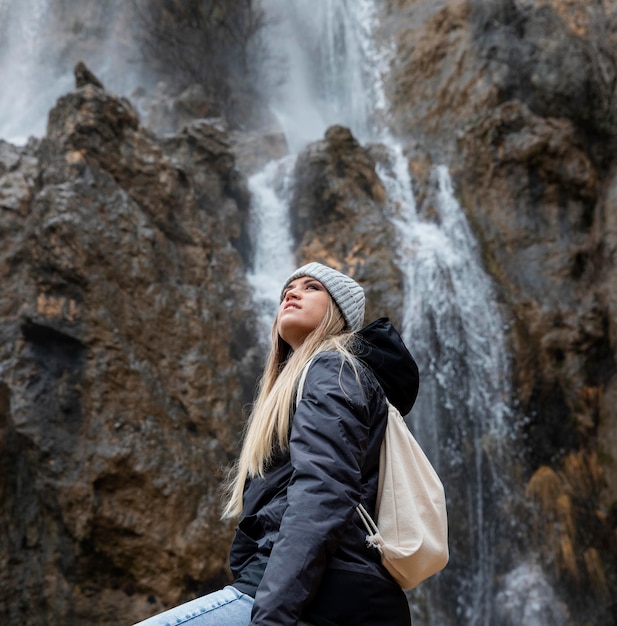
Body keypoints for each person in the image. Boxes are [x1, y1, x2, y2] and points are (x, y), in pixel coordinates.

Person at [134, 262, 417, 626]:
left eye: (311, 286)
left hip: (313, 599)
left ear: (338, 312)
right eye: (288, 289)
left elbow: (323, 492)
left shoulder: (332, 368)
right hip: (327, 595)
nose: (292, 292)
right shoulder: (316, 381)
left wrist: (271, 617)